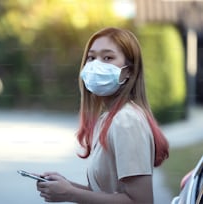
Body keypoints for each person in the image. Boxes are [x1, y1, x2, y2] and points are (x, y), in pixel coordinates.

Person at [36, 27, 169, 203]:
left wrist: (70, 194)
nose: (96, 65)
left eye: (108, 58)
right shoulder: (109, 118)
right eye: (91, 58)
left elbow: (140, 200)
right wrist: (68, 186)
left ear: (128, 71)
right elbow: (108, 192)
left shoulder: (126, 120)